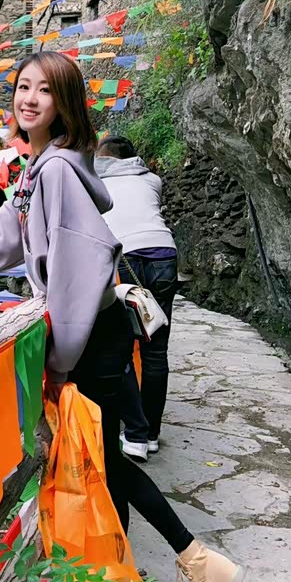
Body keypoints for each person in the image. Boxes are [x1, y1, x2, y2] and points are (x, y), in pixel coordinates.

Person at [0, 52, 243, 582]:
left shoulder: (54, 172)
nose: (29, 99)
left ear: (65, 103)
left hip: (90, 338)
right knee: (99, 457)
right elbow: (0, 244)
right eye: (23, 87)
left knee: (102, 459)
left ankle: (200, 564)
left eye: (45, 90)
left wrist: (59, 359)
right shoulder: (38, 169)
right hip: (89, 336)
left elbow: (81, 269)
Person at [95, 136, 178, 460]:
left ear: (106, 158)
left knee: (121, 348)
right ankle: (152, 434)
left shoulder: (96, 182)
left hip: (124, 258)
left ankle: (135, 435)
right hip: (163, 254)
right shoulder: (152, 180)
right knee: (156, 351)